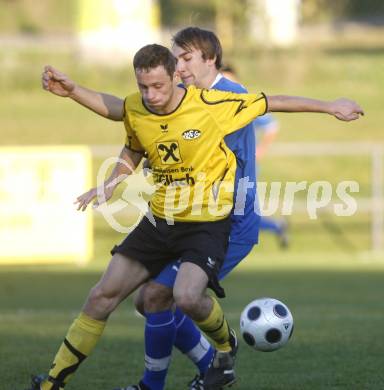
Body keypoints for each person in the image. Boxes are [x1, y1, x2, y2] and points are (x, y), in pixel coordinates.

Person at [31, 42, 363, 390]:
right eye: (143, 86)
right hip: (160, 220)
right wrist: (112, 179)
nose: (151, 94)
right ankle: (52, 381)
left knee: (187, 297)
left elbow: (273, 101)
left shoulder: (212, 105)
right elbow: (131, 139)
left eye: (158, 86)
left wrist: (330, 107)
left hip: (205, 225)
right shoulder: (137, 107)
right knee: (102, 295)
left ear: (177, 77)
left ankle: (224, 344)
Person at [222, 64, 289, 248]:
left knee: (241, 212)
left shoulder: (244, 102)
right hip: (219, 168)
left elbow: (272, 126)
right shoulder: (214, 103)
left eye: (229, 80)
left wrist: (260, 150)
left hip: (242, 168)